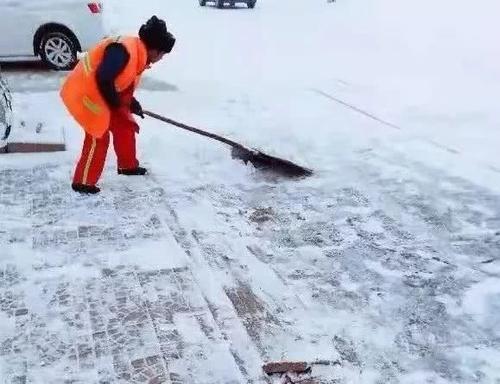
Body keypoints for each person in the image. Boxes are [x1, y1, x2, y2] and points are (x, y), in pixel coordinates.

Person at [60, 16, 176, 194]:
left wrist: (131, 104)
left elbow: (122, 84)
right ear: (155, 50)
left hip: (101, 92)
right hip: (86, 94)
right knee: (98, 136)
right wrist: (116, 104)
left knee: (125, 124)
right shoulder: (122, 51)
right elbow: (104, 78)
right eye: (162, 54)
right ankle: (82, 182)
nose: (161, 58)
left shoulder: (139, 55)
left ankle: (127, 166)